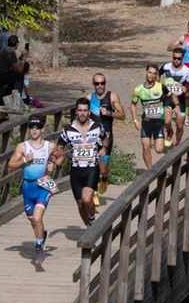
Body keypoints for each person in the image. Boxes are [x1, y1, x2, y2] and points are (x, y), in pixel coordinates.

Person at [7, 115, 58, 263]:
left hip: (42, 186)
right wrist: (24, 160)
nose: (34, 130)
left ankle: (39, 248)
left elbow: (59, 157)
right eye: (32, 127)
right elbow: (10, 167)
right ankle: (42, 235)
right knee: (34, 222)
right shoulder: (22, 147)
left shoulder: (50, 146)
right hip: (28, 187)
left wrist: (53, 165)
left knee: (37, 218)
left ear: (43, 129)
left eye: (37, 127)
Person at [52, 97, 108, 228]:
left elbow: (105, 139)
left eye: (85, 111)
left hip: (91, 168)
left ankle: (92, 219)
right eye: (80, 110)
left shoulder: (97, 127)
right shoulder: (68, 130)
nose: (82, 113)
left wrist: (104, 148)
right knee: (80, 203)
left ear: (89, 112)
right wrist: (55, 159)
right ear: (76, 112)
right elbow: (59, 147)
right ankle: (89, 229)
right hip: (76, 170)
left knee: (87, 198)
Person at [130, 63, 181, 169]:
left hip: (158, 122)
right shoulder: (138, 90)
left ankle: (169, 132)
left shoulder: (160, 87)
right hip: (146, 122)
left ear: (156, 75)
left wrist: (176, 105)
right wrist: (135, 120)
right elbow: (133, 104)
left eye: (154, 74)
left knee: (159, 150)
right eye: (150, 73)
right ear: (145, 72)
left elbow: (172, 96)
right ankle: (150, 171)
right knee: (146, 146)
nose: (151, 75)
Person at [87, 73, 125, 205]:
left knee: (103, 168)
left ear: (105, 83)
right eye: (97, 83)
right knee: (92, 165)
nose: (100, 86)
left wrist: (109, 113)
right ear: (93, 85)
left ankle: (104, 179)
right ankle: (94, 192)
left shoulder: (112, 96)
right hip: (92, 138)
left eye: (102, 83)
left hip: (107, 138)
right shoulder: (89, 98)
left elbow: (122, 115)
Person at [159, 48, 189, 146]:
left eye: (179, 58)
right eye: (174, 58)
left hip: (180, 99)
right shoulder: (166, 66)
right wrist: (159, 86)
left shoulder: (187, 71)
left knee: (179, 125)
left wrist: (186, 88)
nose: (176, 60)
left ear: (182, 58)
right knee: (167, 121)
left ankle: (177, 142)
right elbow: (158, 74)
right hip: (168, 97)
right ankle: (169, 132)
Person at [0, 35, 29, 105]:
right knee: (19, 76)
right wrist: (24, 58)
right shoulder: (10, 52)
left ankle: (6, 97)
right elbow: (19, 70)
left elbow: (14, 65)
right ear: (17, 44)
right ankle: (16, 100)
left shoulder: (4, 49)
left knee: (12, 75)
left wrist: (21, 56)